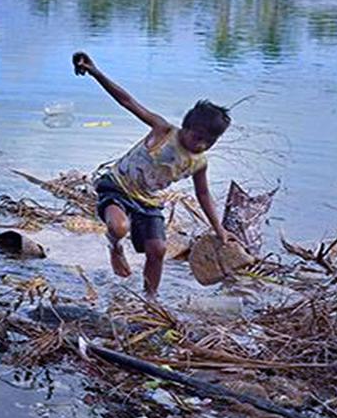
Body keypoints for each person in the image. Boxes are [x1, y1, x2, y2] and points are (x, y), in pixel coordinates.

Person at [72, 51, 231, 297]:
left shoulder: (200, 162)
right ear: (186, 127)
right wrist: (95, 72)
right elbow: (127, 102)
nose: (201, 144)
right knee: (119, 226)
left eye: (209, 141)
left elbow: (203, 194)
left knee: (158, 250)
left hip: (148, 201)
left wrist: (218, 228)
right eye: (198, 137)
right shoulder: (163, 130)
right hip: (118, 186)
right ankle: (115, 247)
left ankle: (151, 298)